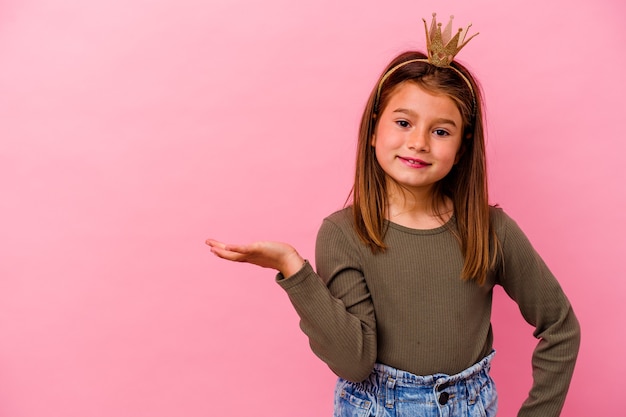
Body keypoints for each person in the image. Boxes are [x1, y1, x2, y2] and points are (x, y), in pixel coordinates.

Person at [206, 13, 580, 417]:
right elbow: (354, 362)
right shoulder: (343, 233)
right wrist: (294, 270)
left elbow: (561, 327)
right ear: (373, 130)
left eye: (441, 131)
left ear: (462, 148)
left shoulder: (491, 231)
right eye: (403, 122)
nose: (418, 142)